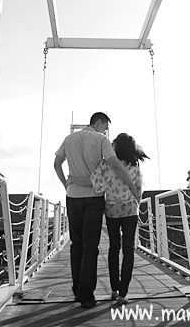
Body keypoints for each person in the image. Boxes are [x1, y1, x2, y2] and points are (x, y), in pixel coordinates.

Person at [53, 112, 140, 308]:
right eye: (105, 127)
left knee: (76, 245)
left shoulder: (68, 139)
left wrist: (66, 183)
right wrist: (132, 187)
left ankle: (77, 290)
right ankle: (86, 296)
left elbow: (56, 164)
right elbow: (114, 165)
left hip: (72, 196)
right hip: (93, 198)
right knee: (90, 247)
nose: (106, 132)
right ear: (99, 123)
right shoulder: (100, 140)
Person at [101, 133, 148, 305]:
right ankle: (123, 293)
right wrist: (136, 203)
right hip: (130, 210)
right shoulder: (134, 165)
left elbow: (99, 185)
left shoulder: (108, 164)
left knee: (114, 248)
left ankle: (113, 289)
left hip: (112, 210)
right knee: (128, 250)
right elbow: (138, 189)